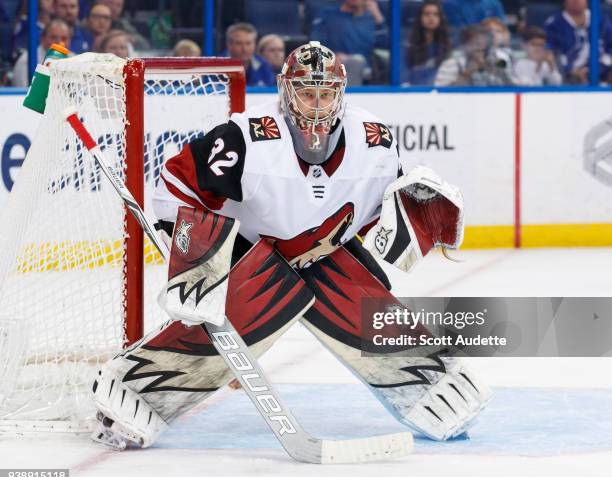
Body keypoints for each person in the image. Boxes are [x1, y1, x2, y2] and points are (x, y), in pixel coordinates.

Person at [88, 41, 492, 451]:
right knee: (261, 296)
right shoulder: (246, 137)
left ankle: (425, 383)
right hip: (245, 251)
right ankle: (136, 390)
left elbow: (378, 214)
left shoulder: (376, 143)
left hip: (320, 250)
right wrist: (199, 262)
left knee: (356, 292)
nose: (317, 104)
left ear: (341, 93)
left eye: (326, 93)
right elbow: (176, 187)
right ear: (286, 90)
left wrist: (409, 214)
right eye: (306, 92)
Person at [311, 0, 388, 83]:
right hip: (333, 67)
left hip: (366, 69)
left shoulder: (371, 19)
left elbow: (385, 45)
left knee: (357, 61)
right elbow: (316, 42)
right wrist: (332, 56)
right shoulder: (328, 15)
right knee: (355, 62)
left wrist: (378, 18)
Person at [545, 0, 612, 84]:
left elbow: (610, 47)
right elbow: (552, 53)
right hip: (569, 78)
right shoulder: (554, 24)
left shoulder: (602, 21)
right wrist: (571, 70)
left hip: (603, 73)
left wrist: (600, 67)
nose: (576, 0)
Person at [434, 24, 513, 86]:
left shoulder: (495, 61)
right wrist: (466, 74)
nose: (481, 45)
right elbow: (439, 92)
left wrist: (494, 70)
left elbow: (510, 87)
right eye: (476, 42)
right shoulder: (452, 63)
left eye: (485, 41)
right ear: (466, 45)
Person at [12, 18, 72, 87]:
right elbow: (23, 93)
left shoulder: (77, 61)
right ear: (42, 38)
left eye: (64, 39)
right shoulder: (27, 60)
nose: (59, 42)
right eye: (53, 37)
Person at [403, 0, 451, 85]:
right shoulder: (409, 45)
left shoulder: (446, 46)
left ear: (440, 18)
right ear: (420, 17)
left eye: (435, 14)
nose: (431, 18)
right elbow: (404, 75)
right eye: (427, 14)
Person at [224, 22, 275, 87]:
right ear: (229, 44)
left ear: (254, 44)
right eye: (239, 43)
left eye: (248, 43)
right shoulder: (216, 66)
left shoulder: (264, 65)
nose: (244, 49)